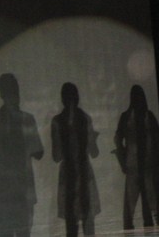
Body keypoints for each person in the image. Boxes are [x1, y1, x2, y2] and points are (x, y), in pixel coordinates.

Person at [0, 73, 44, 237]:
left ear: (1, 93)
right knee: (22, 232)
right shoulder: (27, 119)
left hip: (3, 191)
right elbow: (38, 152)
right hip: (22, 190)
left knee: (5, 232)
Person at [114, 84, 159, 230]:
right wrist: (123, 159)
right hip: (135, 164)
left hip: (145, 164)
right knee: (137, 198)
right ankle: (133, 224)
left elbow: (156, 140)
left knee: (144, 197)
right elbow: (118, 139)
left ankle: (140, 223)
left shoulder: (143, 116)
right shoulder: (135, 117)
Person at [51, 82, 101, 236]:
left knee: (72, 223)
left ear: (62, 99)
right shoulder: (85, 118)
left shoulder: (57, 121)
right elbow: (94, 152)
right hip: (82, 172)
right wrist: (92, 139)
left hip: (70, 174)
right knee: (86, 221)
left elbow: (56, 156)